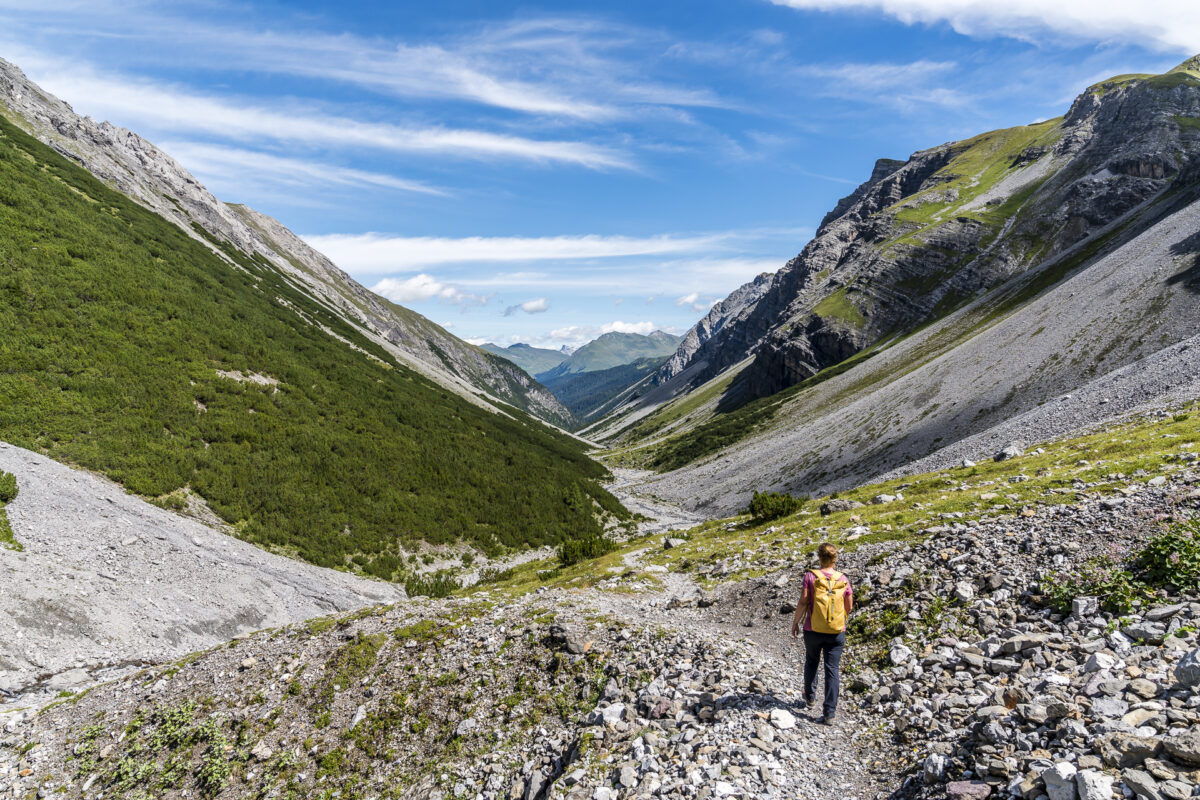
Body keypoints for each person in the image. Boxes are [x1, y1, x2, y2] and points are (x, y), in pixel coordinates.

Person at [790, 542, 853, 724]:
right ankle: (829, 714)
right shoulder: (843, 579)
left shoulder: (811, 576)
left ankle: (809, 696)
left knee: (811, 661)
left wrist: (796, 622)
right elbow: (849, 607)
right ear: (835, 558)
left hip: (813, 629)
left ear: (819, 557)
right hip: (836, 632)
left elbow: (803, 601)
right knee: (832, 669)